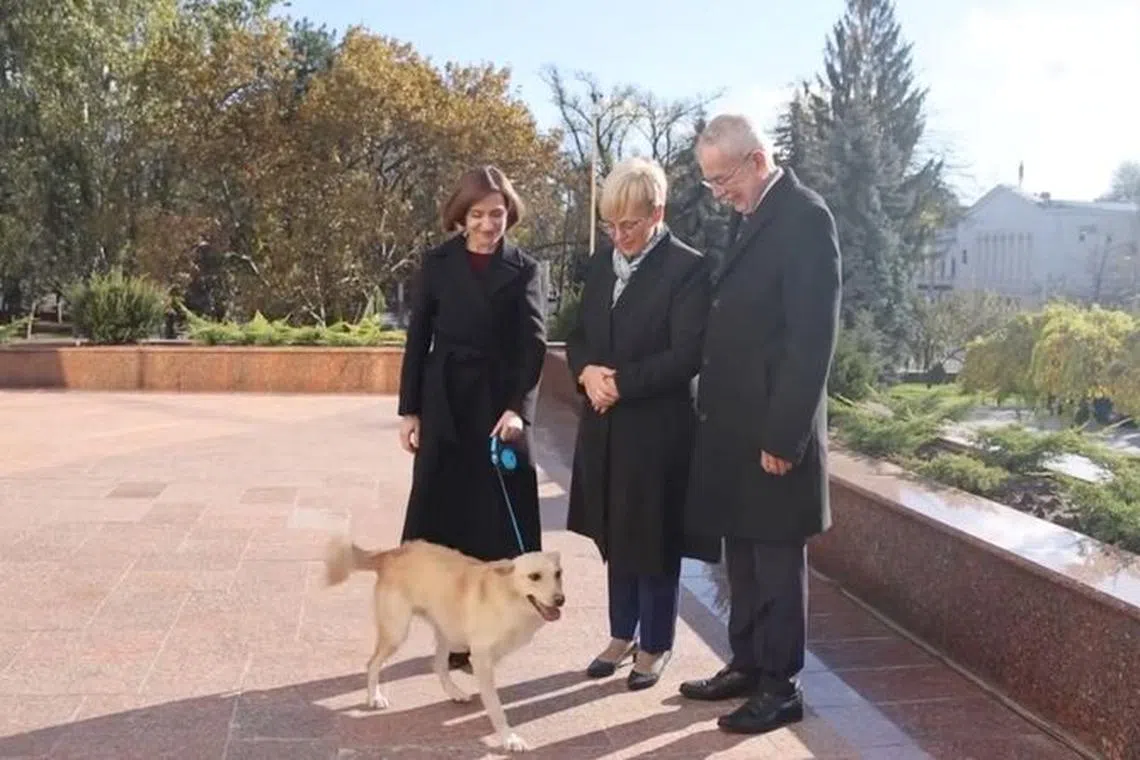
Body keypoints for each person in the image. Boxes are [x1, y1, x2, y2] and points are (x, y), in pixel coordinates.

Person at [678, 114, 841, 733]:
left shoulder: (804, 217)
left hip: (774, 434)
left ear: (756, 160)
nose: (720, 193)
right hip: (734, 429)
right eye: (711, 183)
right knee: (740, 559)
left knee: (775, 564)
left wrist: (784, 436)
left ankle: (781, 685)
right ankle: (746, 664)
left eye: (724, 180)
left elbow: (812, 339)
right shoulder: (749, 216)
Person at [565, 156, 720, 691]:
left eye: (629, 225)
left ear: (657, 212)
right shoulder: (603, 262)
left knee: (652, 540)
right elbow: (578, 332)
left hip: (656, 429)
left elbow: (687, 354)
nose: (618, 235)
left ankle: (655, 644)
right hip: (605, 425)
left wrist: (619, 384)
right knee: (614, 531)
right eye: (611, 224)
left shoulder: (687, 268)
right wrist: (586, 372)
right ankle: (620, 633)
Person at [397, 165, 547, 670]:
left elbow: (534, 347)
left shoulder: (525, 269)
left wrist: (518, 411)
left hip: (497, 408)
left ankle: (490, 626)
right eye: (477, 215)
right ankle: (451, 627)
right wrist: (410, 410)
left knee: (495, 519)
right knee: (443, 517)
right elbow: (418, 340)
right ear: (460, 217)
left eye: (497, 214)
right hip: (444, 404)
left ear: (510, 214)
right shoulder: (437, 264)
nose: (487, 225)